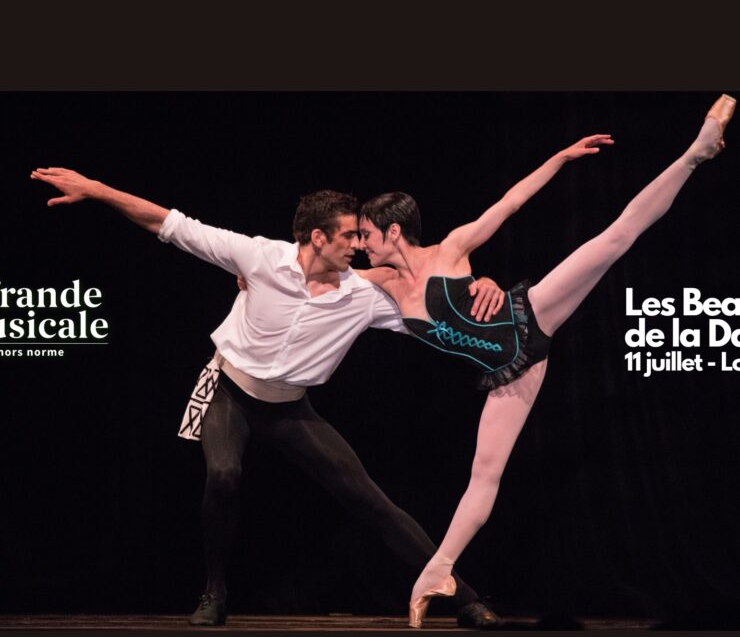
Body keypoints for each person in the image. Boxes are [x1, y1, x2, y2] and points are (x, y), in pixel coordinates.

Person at [28, 174, 506, 629]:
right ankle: (214, 592)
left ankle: (465, 598)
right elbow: (171, 225)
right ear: (318, 237)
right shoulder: (258, 258)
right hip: (229, 393)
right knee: (223, 474)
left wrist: (479, 289)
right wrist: (96, 190)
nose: (358, 245)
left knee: (371, 500)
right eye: (348, 236)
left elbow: (439, 318)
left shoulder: (361, 296)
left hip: (290, 410)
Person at [355, 95, 736, 627]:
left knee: (615, 238)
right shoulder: (381, 284)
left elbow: (510, 202)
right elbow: (313, 276)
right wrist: (260, 274)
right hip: (512, 374)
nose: (360, 246)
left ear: (392, 230)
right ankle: (437, 572)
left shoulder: (450, 249)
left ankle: (696, 153)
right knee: (484, 476)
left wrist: (560, 157)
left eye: (365, 235)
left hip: (531, 317)